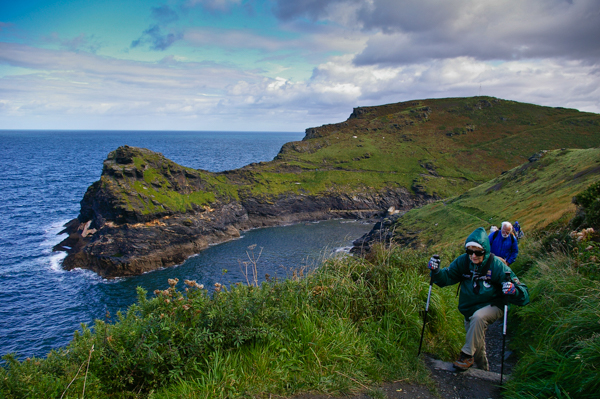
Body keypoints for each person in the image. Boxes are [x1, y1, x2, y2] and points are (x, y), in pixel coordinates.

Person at [427, 227, 529, 371]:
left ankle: (466, 356)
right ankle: (483, 370)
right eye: (470, 251)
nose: (473, 256)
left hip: (494, 305)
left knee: (478, 318)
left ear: (485, 251)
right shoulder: (463, 262)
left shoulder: (497, 265)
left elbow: (524, 294)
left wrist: (513, 290)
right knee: (476, 341)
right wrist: (436, 271)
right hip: (470, 308)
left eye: (478, 252)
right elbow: (447, 278)